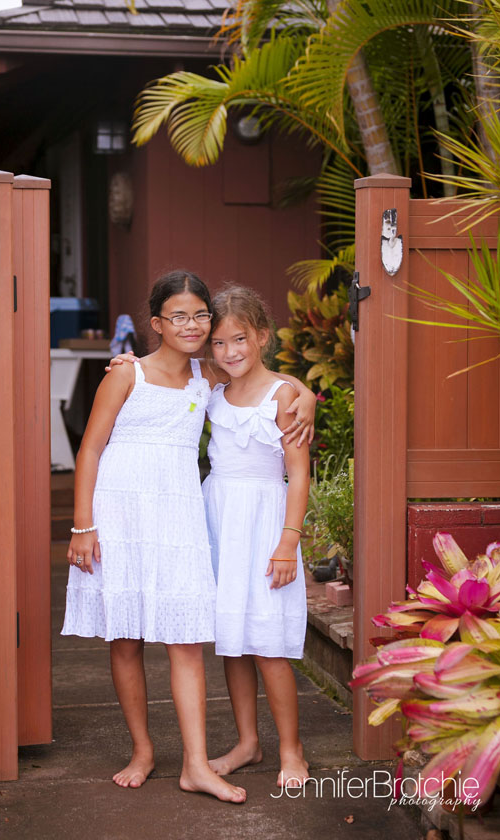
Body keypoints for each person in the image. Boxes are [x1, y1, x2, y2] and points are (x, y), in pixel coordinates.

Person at [62, 270, 314, 803]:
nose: (193, 325)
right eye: (179, 316)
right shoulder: (127, 374)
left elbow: (262, 377)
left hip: (178, 517)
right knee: (125, 637)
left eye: (201, 315)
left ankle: (196, 764)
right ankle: (143, 750)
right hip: (120, 515)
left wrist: (305, 393)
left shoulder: (207, 375)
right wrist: (83, 525)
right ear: (157, 323)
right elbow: (90, 449)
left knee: (188, 641)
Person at [203, 285, 310, 789]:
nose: (230, 352)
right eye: (219, 343)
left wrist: (288, 542)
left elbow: (298, 473)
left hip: (266, 525)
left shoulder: (282, 396)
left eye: (240, 339)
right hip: (221, 522)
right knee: (234, 642)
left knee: (267, 644)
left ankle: (292, 749)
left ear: (262, 336)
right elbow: (166, 371)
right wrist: (128, 362)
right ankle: (248, 742)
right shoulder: (214, 389)